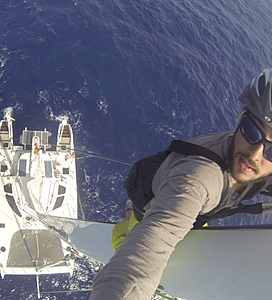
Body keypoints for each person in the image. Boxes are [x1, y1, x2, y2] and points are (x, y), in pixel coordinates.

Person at [89, 68, 272, 300]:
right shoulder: (198, 177)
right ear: (239, 119)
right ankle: (129, 215)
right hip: (158, 205)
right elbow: (151, 245)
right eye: (251, 130)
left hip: (195, 209)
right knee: (132, 230)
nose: (255, 154)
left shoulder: (252, 159)